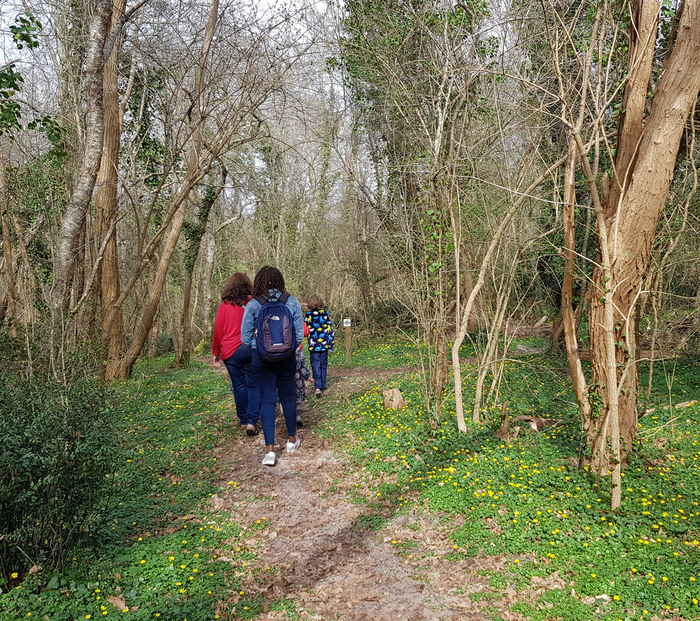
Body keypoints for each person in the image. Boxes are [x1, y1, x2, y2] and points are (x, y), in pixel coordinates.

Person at [241, 266, 304, 466]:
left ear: (259, 281)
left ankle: (269, 452)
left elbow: (245, 338)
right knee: (288, 397)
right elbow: (300, 334)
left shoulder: (254, 304)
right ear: (280, 280)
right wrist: (287, 350)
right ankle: (292, 441)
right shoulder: (291, 301)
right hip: (287, 358)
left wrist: (259, 350)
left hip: (262, 360)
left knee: (267, 401)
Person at [212, 272, 260, 435]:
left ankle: (244, 419)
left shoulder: (224, 306)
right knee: (254, 384)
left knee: (239, 385)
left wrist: (216, 352)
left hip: (230, 351)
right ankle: (252, 421)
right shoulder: (254, 303)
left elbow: (218, 331)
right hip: (251, 348)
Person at [304, 293, 334, 398]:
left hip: (313, 346)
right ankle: (323, 385)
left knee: (315, 365)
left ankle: (317, 387)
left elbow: (305, 330)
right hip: (324, 345)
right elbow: (330, 330)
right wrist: (331, 345)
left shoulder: (308, 316)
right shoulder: (325, 314)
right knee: (323, 364)